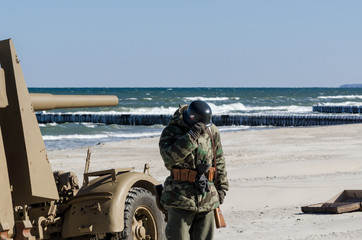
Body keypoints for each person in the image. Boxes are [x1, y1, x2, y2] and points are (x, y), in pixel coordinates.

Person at [159, 100, 229, 240]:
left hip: (207, 197)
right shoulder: (171, 131)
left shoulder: (212, 130)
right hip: (180, 200)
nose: (205, 127)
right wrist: (191, 136)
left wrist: (222, 188)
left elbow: (218, 160)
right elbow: (169, 159)